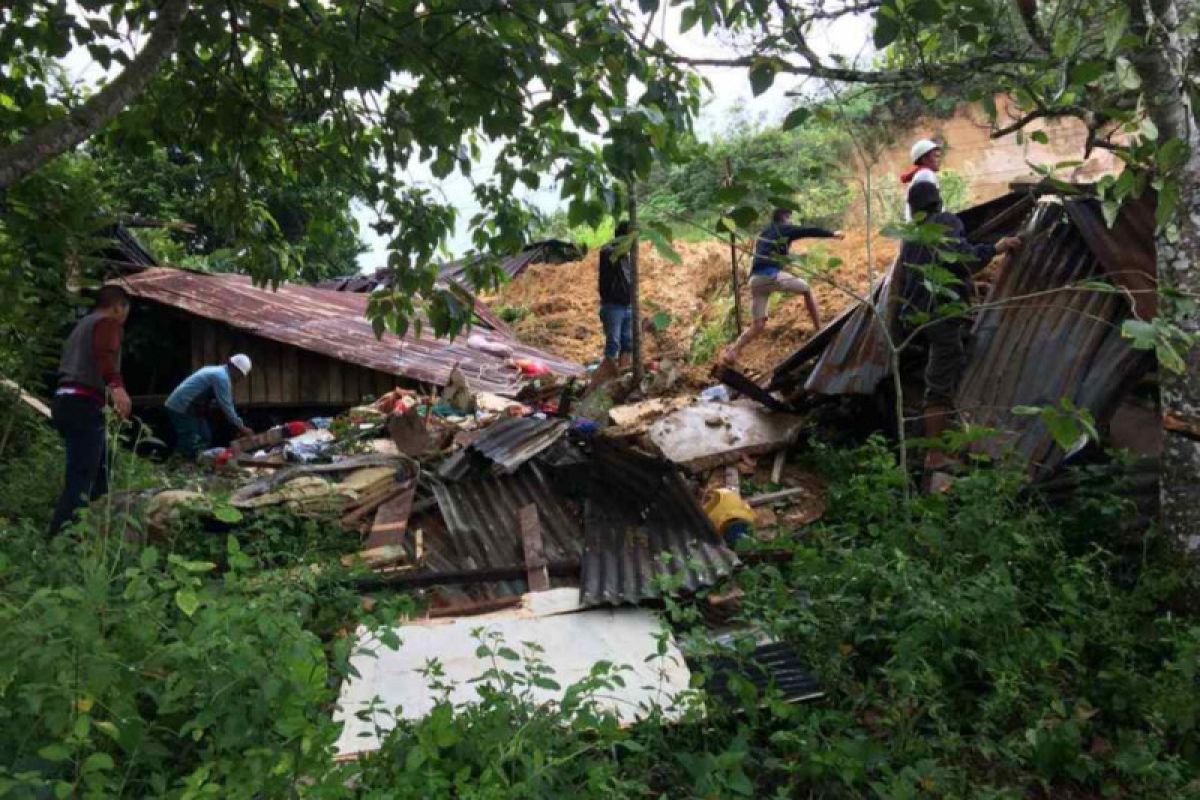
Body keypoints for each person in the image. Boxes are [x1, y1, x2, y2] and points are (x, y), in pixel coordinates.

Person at [897, 180, 1023, 473]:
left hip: (915, 315)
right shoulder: (945, 221)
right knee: (940, 380)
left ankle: (939, 436)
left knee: (946, 364)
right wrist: (997, 247)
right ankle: (935, 456)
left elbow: (930, 268)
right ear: (937, 203)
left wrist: (967, 286)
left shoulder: (910, 235)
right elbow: (963, 258)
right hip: (940, 313)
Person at [49, 285, 133, 535]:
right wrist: (117, 387)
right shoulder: (108, 323)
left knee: (103, 464)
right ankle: (62, 538)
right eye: (125, 310)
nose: (124, 316)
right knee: (81, 477)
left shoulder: (82, 325)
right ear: (118, 306)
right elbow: (103, 354)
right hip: (82, 404)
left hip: (67, 401)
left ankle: (95, 525)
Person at [722, 208, 842, 365]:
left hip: (755, 280)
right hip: (769, 275)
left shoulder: (764, 234)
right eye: (790, 218)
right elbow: (807, 231)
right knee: (806, 289)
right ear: (785, 217)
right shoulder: (784, 228)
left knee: (758, 325)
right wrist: (832, 234)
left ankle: (733, 351)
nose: (791, 221)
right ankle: (819, 329)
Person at [165, 355, 254, 458]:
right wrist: (242, 427)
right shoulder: (221, 377)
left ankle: (197, 462)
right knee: (190, 439)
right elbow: (226, 405)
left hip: (192, 408)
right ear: (235, 369)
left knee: (205, 436)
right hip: (182, 406)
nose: (239, 379)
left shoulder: (216, 371)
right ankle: (176, 464)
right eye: (240, 375)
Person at [597, 220, 633, 370]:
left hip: (626, 305)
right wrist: (621, 246)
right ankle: (607, 375)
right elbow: (606, 251)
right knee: (613, 342)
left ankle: (623, 373)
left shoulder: (626, 257)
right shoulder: (609, 252)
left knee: (628, 343)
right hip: (613, 306)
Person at [901, 138, 943, 220]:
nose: (939, 160)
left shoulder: (921, 174)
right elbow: (929, 210)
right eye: (936, 156)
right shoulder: (926, 174)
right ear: (925, 159)